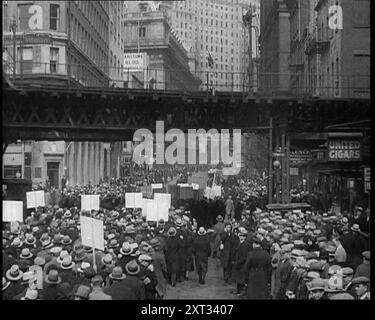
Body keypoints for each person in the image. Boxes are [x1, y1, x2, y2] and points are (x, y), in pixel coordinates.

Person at [232, 229, 252, 297]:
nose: (241, 237)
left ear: (245, 237)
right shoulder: (239, 242)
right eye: (240, 235)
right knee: (238, 278)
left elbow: (244, 257)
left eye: (243, 236)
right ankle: (237, 290)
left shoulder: (246, 245)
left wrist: (238, 262)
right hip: (238, 263)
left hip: (242, 264)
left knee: (242, 279)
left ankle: (241, 291)